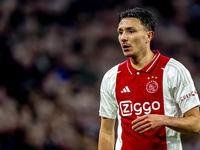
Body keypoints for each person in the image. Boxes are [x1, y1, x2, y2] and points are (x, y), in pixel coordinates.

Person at [98, 7, 200, 150]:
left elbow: (196, 124)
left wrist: (164, 120)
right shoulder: (111, 77)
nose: (123, 37)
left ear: (148, 36)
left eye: (131, 31)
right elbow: (106, 131)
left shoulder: (174, 71)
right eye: (120, 32)